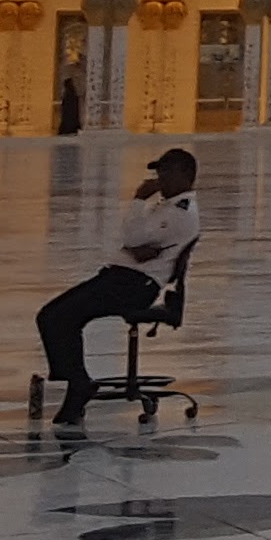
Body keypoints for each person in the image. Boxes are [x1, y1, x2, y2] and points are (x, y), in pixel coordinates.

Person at [33, 148, 199, 425]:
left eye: (166, 172)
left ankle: (79, 385)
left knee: (56, 317)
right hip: (122, 278)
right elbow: (133, 243)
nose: (159, 178)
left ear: (185, 174)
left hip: (133, 285)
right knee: (56, 316)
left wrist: (138, 200)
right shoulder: (168, 207)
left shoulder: (180, 212)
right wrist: (134, 247)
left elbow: (131, 237)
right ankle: (78, 383)